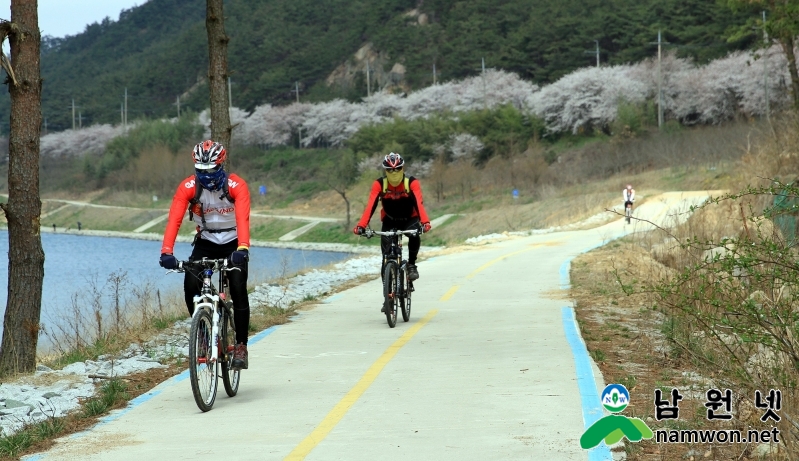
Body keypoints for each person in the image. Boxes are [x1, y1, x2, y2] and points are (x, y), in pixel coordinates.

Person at [159, 140, 252, 370]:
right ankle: (201, 334)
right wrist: (166, 251)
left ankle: (241, 345)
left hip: (233, 242)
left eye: (211, 170)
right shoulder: (189, 187)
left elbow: (243, 218)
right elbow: (175, 219)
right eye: (201, 170)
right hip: (206, 240)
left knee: (238, 286)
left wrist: (243, 247)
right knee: (190, 283)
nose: (206, 175)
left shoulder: (236, 185)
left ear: (221, 165)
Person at [353, 152, 431, 283]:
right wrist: (361, 226)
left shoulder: (411, 182)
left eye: (397, 168)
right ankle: (388, 297)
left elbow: (419, 203)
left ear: (403, 168)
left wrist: (425, 222)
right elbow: (370, 206)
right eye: (390, 170)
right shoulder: (379, 184)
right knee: (386, 258)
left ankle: (412, 265)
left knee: (414, 235)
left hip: (409, 219)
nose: (394, 172)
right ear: (385, 170)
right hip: (389, 220)